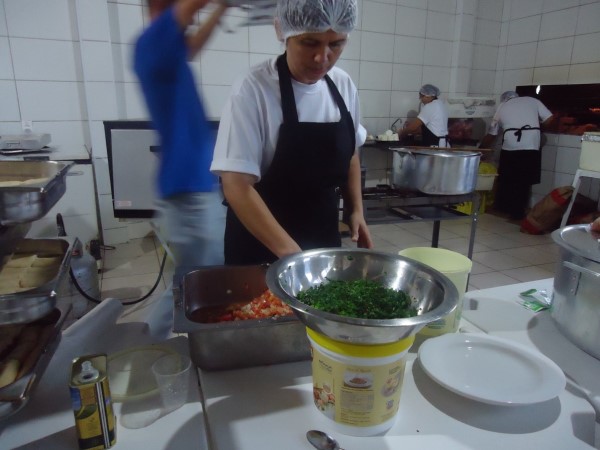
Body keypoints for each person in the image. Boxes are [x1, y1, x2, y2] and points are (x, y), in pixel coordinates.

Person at [210, 0, 373, 265]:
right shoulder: (254, 88)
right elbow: (236, 185)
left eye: (336, 44)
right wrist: (295, 258)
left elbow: (351, 152)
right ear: (282, 32)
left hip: (322, 236)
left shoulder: (343, 85)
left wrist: (356, 209)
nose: (323, 57)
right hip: (259, 245)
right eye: (310, 43)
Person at [134, 0, 228, 270]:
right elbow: (190, 8)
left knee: (195, 278)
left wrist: (222, 8)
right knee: (204, 279)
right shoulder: (152, 41)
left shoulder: (167, 51)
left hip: (191, 184)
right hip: (187, 187)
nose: (193, 21)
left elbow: (193, 46)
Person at [479, 90, 553, 220]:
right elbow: (550, 119)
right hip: (531, 144)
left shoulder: (502, 106)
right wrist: (537, 128)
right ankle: (518, 211)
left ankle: (506, 208)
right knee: (524, 180)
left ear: (504, 99)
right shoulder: (532, 100)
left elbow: (492, 133)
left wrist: (480, 149)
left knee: (509, 177)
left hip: (511, 145)